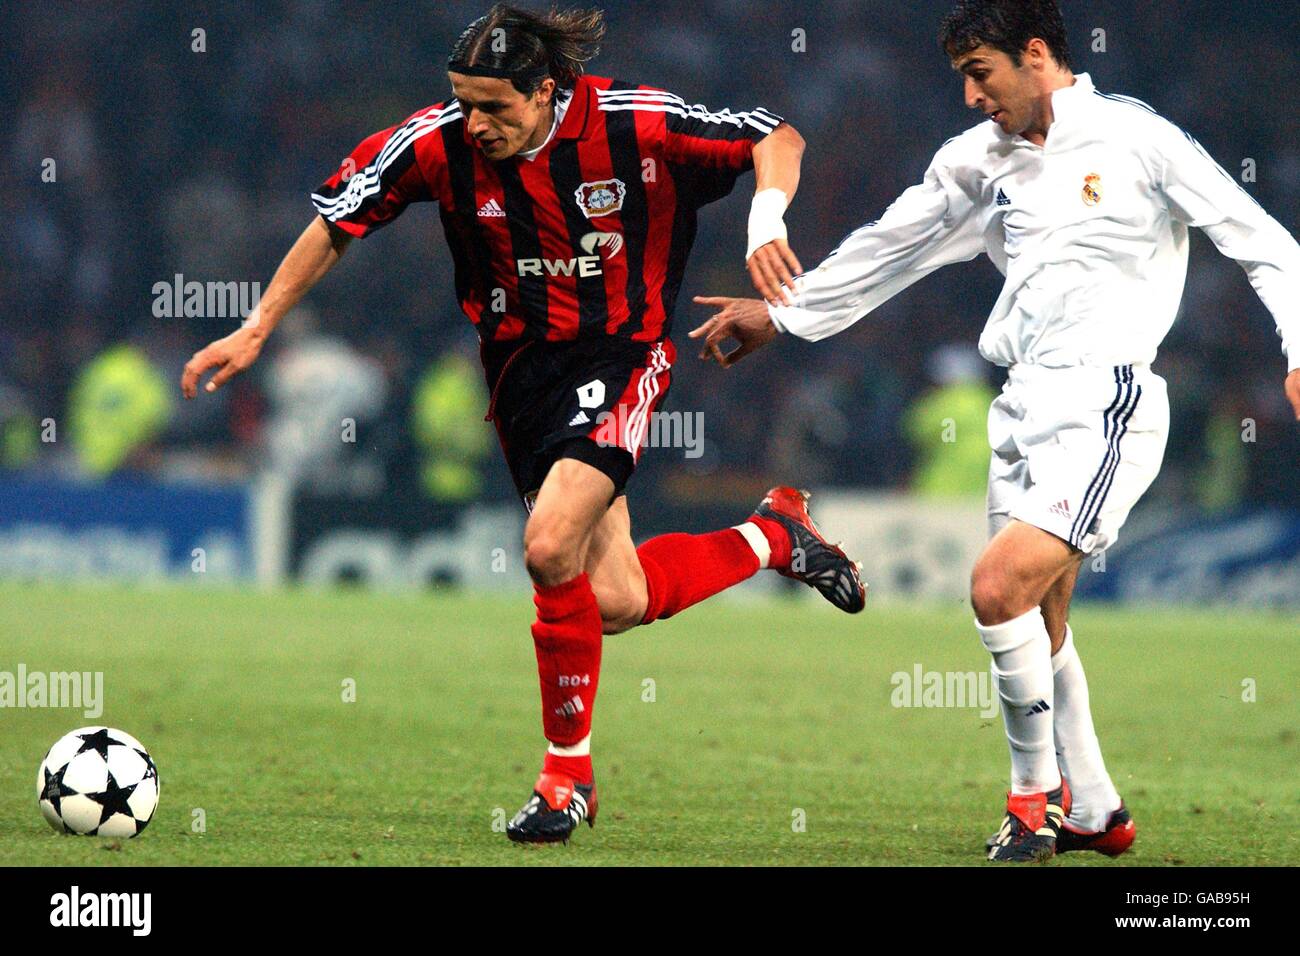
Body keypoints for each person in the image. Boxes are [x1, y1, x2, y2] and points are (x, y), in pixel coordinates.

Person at [180, 3, 866, 845]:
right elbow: (336, 220)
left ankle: (565, 780)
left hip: (620, 354)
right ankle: (774, 536)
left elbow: (777, 136)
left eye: (495, 107)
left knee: (547, 549)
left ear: (547, 91)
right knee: (615, 598)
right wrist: (257, 326)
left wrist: (766, 223)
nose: (476, 124)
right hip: (519, 378)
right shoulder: (435, 143)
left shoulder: (636, 124)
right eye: (465, 102)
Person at [689, 0, 1300, 861]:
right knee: (1040, 617)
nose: (972, 96)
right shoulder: (978, 162)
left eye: (982, 73)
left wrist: (1298, 351)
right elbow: (891, 245)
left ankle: (1031, 801)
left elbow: (1266, 243)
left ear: (1038, 54)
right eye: (961, 79)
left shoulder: (1134, 139)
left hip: (1108, 401)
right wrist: (785, 317)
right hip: (1020, 406)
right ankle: (1094, 808)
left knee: (995, 588)